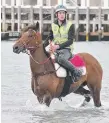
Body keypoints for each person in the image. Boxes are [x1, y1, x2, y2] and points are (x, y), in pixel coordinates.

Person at [44, 5, 82, 82]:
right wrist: (42, 47)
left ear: (65, 14)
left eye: (63, 13)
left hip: (67, 49)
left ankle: (76, 71)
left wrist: (57, 46)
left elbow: (71, 41)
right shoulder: (53, 25)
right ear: (56, 14)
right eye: (60, 13)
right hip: (55, 49)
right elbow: (50, 37)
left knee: (60, 59)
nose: (62, 15)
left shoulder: (70, 25)